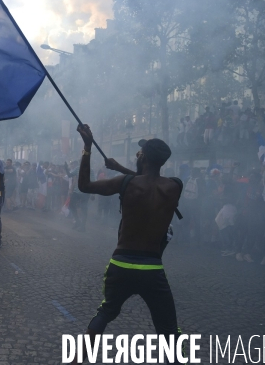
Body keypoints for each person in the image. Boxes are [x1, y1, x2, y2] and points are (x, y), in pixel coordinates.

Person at [74, 124, 183, 364]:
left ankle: (77, 360)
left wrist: (87, 148)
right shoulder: (175, 186)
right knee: (168, 329)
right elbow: (148, 181)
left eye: (140, 152)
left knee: (106, 312)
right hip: (152, 269)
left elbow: (84, 186)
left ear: (142, 156)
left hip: (121, 263)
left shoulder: (126, 184)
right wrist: (121, 168)